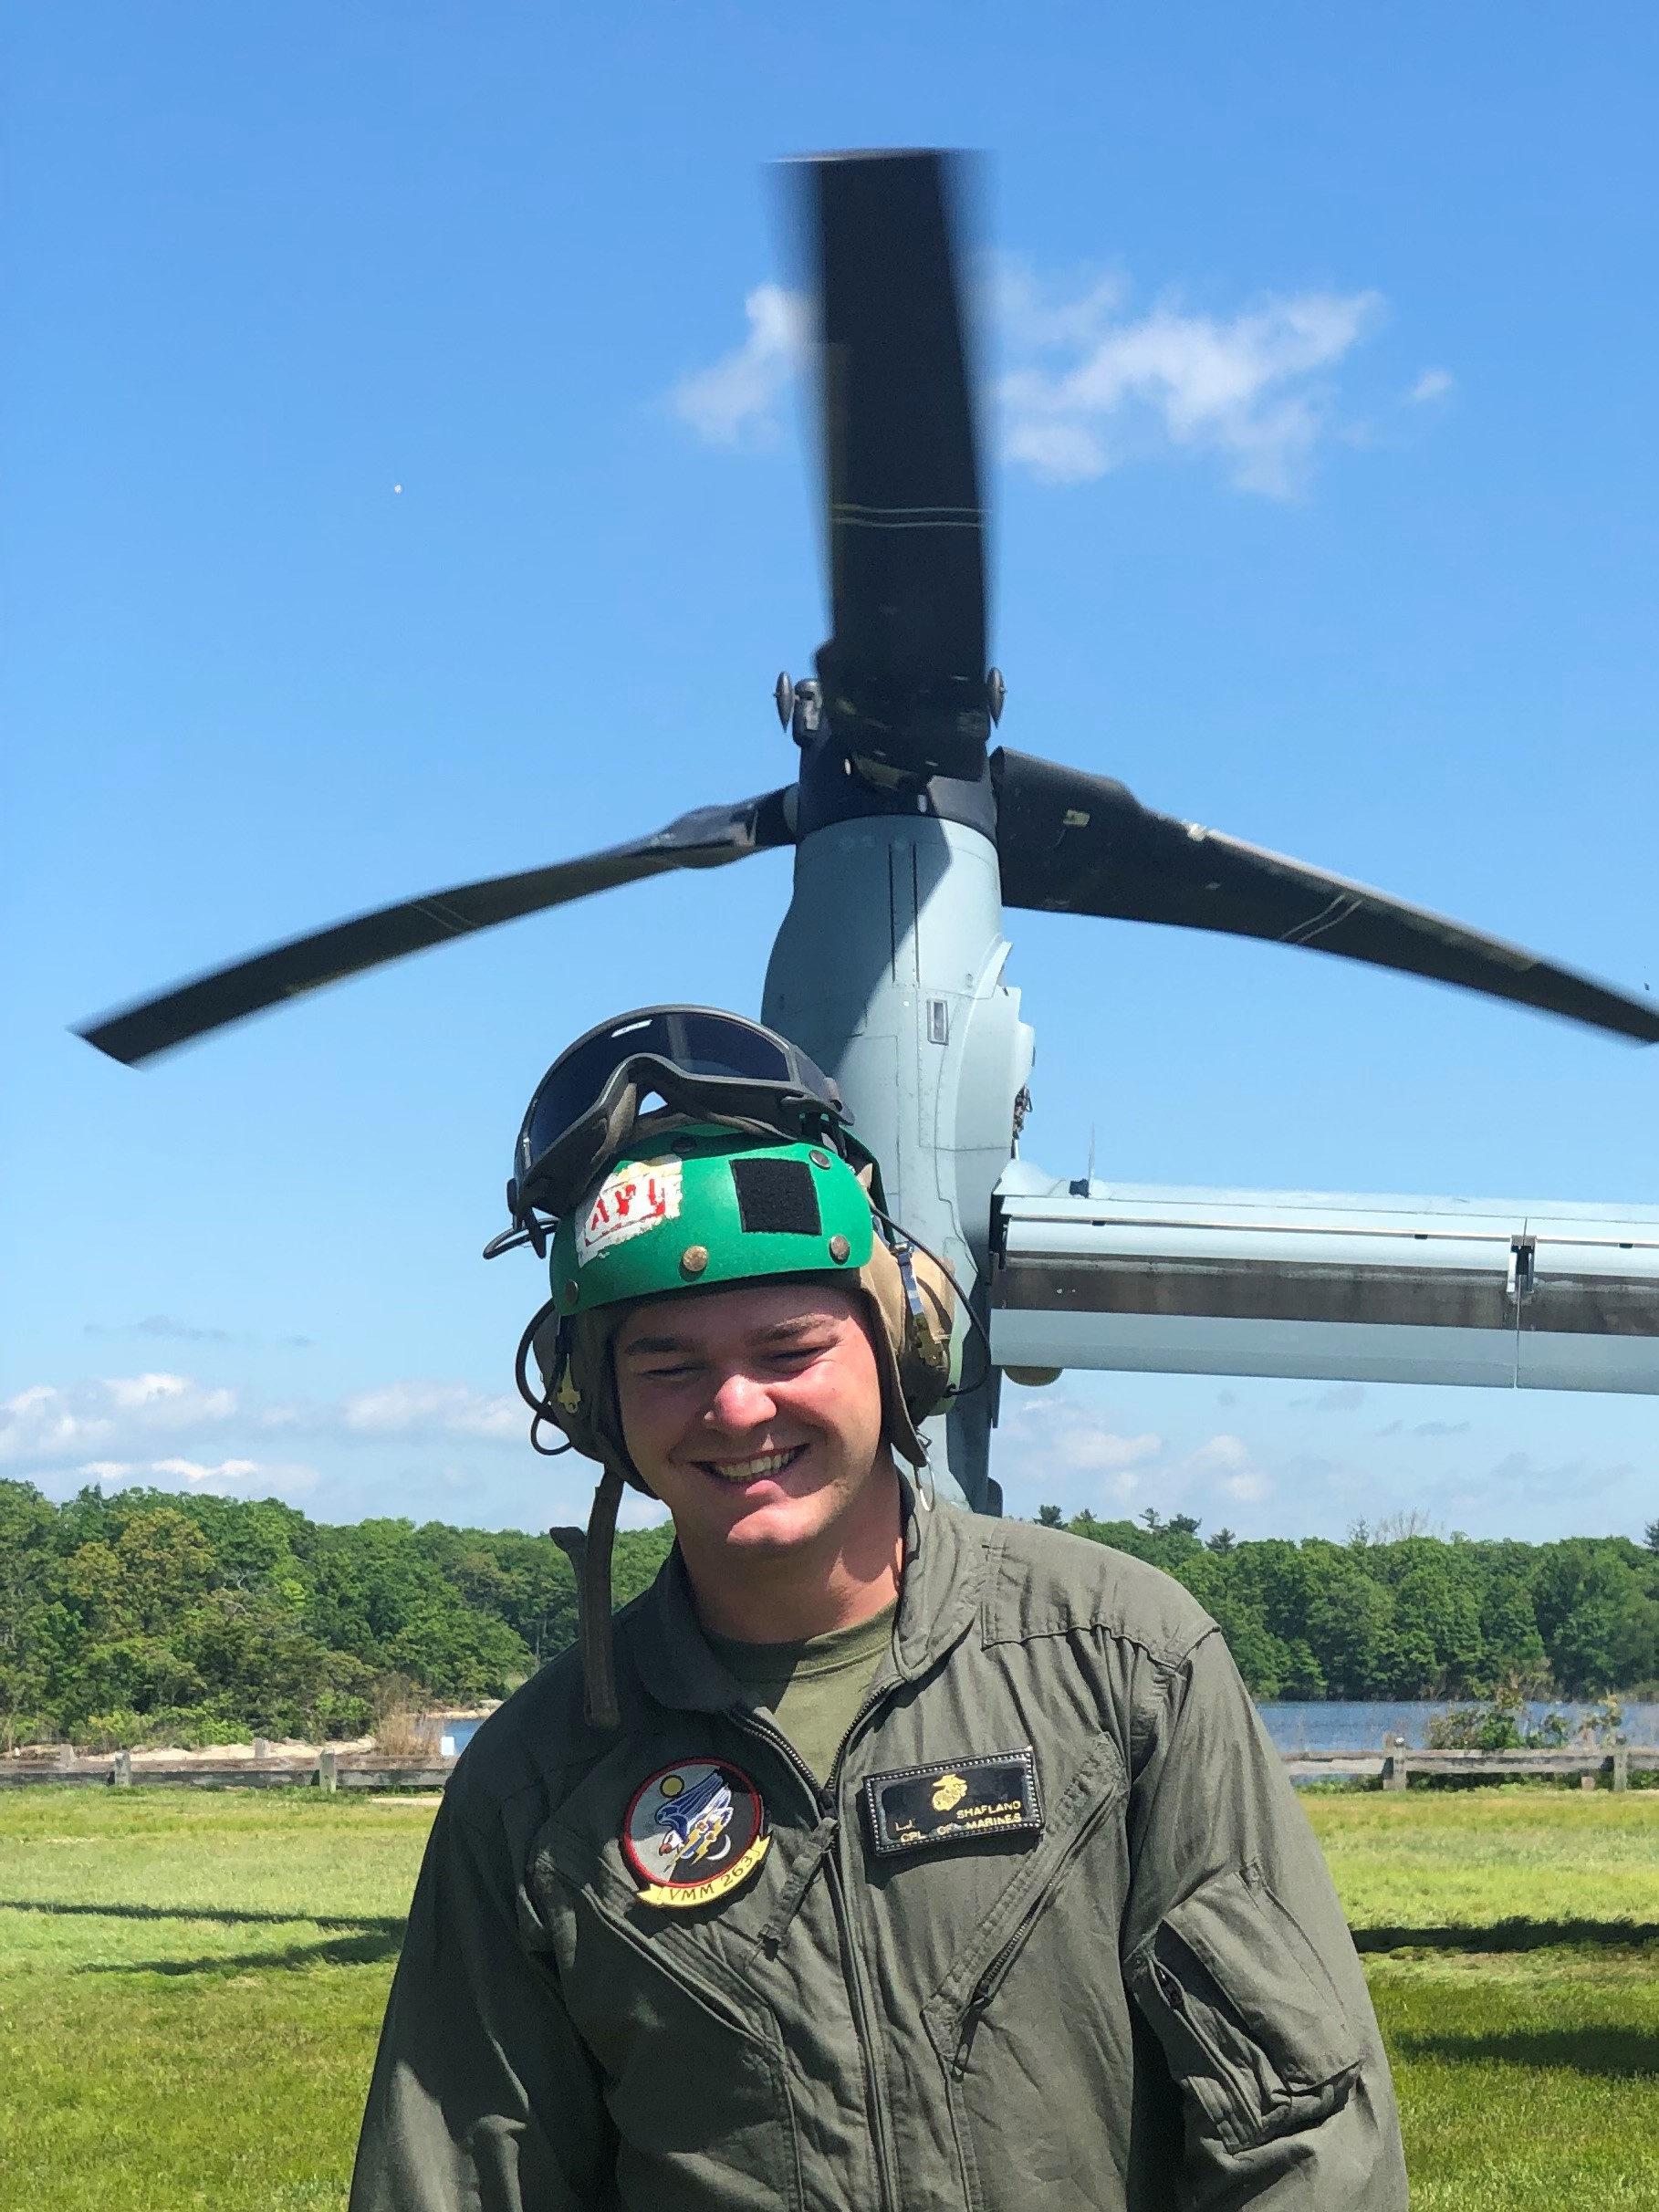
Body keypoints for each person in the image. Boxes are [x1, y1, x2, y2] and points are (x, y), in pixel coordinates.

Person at [350, 1008, 1408, 2211]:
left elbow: (1303, 2127)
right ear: (594, 1406)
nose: (736, 1407)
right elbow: (456, 2178)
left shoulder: (1119, 1660)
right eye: (667, 1364)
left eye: (788, 1346)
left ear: (897, 1346)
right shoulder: (539, 1782)